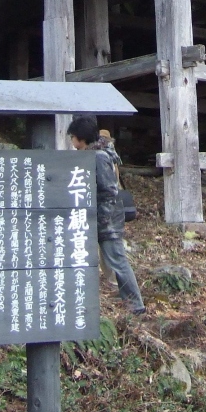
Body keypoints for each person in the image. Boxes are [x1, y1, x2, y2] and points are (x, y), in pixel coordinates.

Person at [67, 115, 145, 315]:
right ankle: (125, 296)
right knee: (110, 260)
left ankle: (136, 305)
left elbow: (109, 190)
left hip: (107, 218)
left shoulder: (99, 157)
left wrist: (101, 218)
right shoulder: (93, 154)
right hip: (101, 217)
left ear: (80, 137)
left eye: (73, 137)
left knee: (117, 259)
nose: (72, 142)